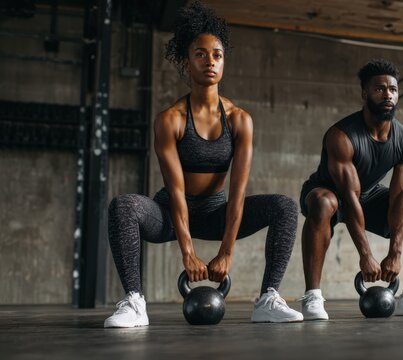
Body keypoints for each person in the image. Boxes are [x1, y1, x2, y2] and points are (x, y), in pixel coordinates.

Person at [104, 1, 303, 327]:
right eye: (200, 54)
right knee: (124, 206)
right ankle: (135, 302)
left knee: (284, 206)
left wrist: (226, 251)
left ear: (223, 62)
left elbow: (238, 193)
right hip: (169, 213)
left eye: (217, 54)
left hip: (215, 213)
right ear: (186, 61)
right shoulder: (170, 120)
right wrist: (188, 252)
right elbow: (177, 191)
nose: (210, 60)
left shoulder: (240, 120)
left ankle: (268, 298)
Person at [297, 59, 403, 320]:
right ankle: (313, 296)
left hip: (369, 192)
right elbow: (349, 199)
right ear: (365, 94)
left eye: (393, 89)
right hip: (329, 191)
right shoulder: (341, 136)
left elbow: (399, 197)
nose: (388, 94)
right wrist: (366, 255)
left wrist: (394, 254)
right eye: (379, 89)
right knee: (324, 202)